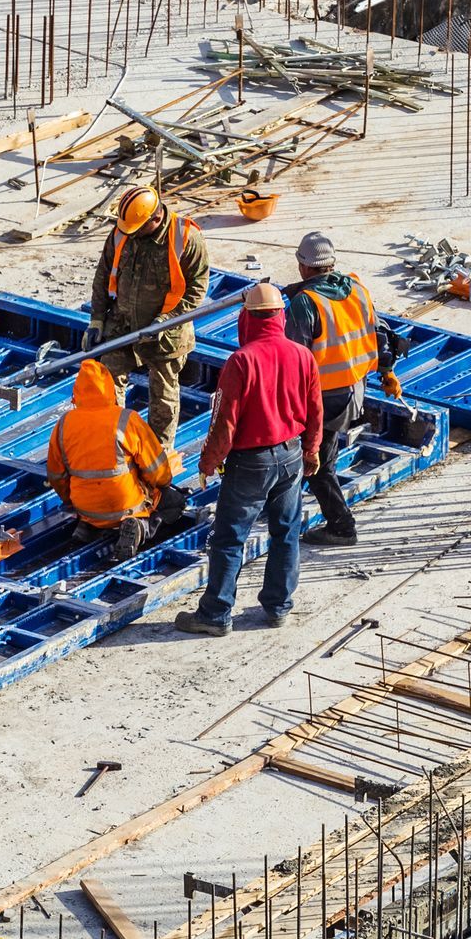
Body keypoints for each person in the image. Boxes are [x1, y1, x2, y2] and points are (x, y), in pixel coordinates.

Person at [175, 282, 321, 636]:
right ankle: (278, 606)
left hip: (250, 463)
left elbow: (224, 420)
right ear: (280, 317)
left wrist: (208, 462)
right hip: (290, 457)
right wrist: (312, 449)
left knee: (229, 538)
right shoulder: (303, 355)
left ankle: (215, 614)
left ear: (248, 318)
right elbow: (315, 410)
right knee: (285, 533)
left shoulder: (241, 361)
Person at [285, 231, 403, 548]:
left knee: (316, 462)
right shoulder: (357, 289)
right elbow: (382, 335)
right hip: (355, 390)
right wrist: (388, 372)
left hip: (323, 398)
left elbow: (293, 360)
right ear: (331, 263)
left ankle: (341, 527)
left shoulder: (304, 304)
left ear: (303, 266)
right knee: (321, 457)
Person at [89, 185, 211, 456]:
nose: (130, 235)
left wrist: (166, 320)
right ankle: (114, 445)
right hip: (122, 325)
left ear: (155, 219)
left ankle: (158, 453)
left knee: (163, 394)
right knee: (108, 382)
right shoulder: (124, 231)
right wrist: (97, 319)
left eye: (137, 229)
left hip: (166, 332)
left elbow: (197, 289)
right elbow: (103, 275)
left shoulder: (186, 238)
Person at [46, 360, 185, 559]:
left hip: (85, 508)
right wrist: (163, 486)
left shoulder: (63, 424)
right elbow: (157, 471)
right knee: (174, 503)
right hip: (125, 505)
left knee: (93, 504)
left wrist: (72, 500)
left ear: (76, 392)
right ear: (111, 390)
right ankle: (140, 526)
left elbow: (56, 476)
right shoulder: (126, 419)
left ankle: (87, 528)